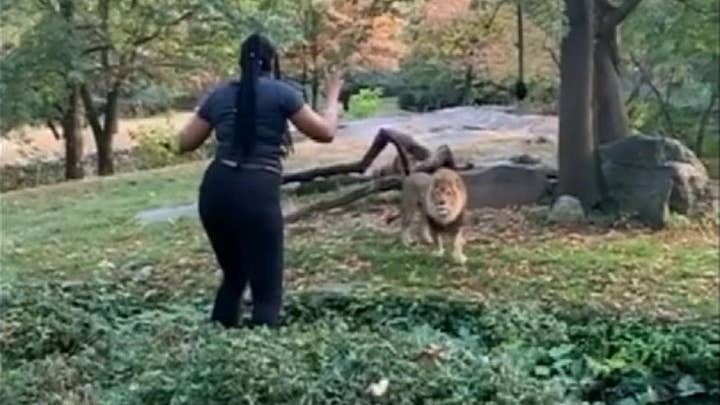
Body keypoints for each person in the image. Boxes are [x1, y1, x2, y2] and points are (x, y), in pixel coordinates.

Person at [175, 33, 344, 327]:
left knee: (234, 276)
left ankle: (219, 344)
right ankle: (262, 360)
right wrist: (332, 101)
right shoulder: (282, 93)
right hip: (257, 192)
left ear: (240, 63)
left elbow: (184, 143)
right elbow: (326, 133)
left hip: (215, 191)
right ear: (272, 62)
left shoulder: (220, 94)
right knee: (267, 291)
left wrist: (210, 111)